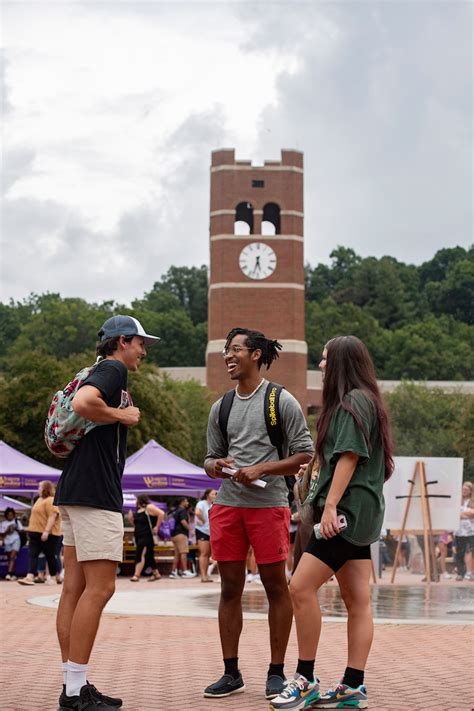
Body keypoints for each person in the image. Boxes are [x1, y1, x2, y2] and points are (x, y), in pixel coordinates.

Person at [271, 335, 394, 711]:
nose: (321, 365)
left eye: (325, 360)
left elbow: (349, 458)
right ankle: (353, 686)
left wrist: (329, 507)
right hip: (363, 513)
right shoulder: (368, 400)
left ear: (340, 363)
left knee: (299, 587)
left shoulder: (352, 401)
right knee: (358, 601)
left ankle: (305, 679)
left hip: (344, 513)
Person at [53, 314, 159, 711]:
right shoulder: (113, 369)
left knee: (73, 589)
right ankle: (76, 691)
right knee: (100, 588)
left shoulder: (94, 369)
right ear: (122, 342)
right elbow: (84, 403)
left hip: (73, 487)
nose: (143, 352)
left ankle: (73, 685)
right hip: (96, 493)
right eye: (140, 344)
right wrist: (122, 415)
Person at [203, 327, 314, 701]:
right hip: (227, 506)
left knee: (275, 587)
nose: (227, 356)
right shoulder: (222, 406)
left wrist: (262, 469)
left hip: (268, 507)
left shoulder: (281, 401)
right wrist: (216, 465)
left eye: (235, 349)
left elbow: (305, 454)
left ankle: (277, 672)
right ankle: (230, 672)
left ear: (256, 354)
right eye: (225, 350)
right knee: (229, 588)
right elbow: (208, 458)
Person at [18, 481, 62, 586]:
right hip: (35, 532)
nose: (38, 489)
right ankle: (30, 576)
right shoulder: (39, 499)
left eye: (40, 487)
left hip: (48, 534)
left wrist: (46, 531)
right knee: (33, 554)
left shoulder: (51, 500)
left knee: (50, 556)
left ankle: (53, 577)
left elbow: (53, 516)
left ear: (45, 488)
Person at [128, 495, 165, 582]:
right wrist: (131, 519)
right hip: (139, 536)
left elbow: (161, 513)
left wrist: (157, 527)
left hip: (146, 536)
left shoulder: (149, 507)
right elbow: (136, 525)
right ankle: (156, 574)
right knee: (148, 556)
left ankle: (136, 575)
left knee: (140, 554)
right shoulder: (138, 511)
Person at [169, 497, 195, 578]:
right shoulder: (182, 510)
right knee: (184, 553)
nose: (187, 503)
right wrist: (190, 529)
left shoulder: (175, 511)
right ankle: (185, 571)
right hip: (181, 534)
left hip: (174, 535)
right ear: (182, 502)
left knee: (177, 554)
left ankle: (173, 572)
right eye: (186, 501)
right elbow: (183, 521)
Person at [195, 488, 217, 582]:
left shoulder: (214, 505)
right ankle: (203, 576)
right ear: (207, 495)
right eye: (213, 494)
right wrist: (203, 520)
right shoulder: (202, 503)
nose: (215, 496)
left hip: (211, 531)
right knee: (204, 553)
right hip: (202, 530)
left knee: (208, 554)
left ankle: (206, 575)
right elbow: (197, 512)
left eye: (216, 494)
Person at [454, 481, 474, 581]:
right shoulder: (457, 501)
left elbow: (473, 513)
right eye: (463, 489)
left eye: (466, 489)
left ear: (470, 491)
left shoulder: (472, 501)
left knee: (470, 551)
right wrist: (467, 513)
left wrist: (461, 514)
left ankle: (470, 572)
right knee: (459, 552)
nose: (464, 491)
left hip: (471, 531)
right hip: (459, 530)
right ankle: (460, 573)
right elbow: (454, 513)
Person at [0, 507, 24, 580]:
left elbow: (22, 531)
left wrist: (15, 529)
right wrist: (7, 530)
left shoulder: (16, 522)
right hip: (7, 541)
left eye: (11, 515)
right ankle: (12, 574)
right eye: (8, 515)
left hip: (16, 540)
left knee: (12, 557)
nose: (10, 516)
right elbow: (1, 534)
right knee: (9, 558)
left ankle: (9, 573)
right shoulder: (3, 523)